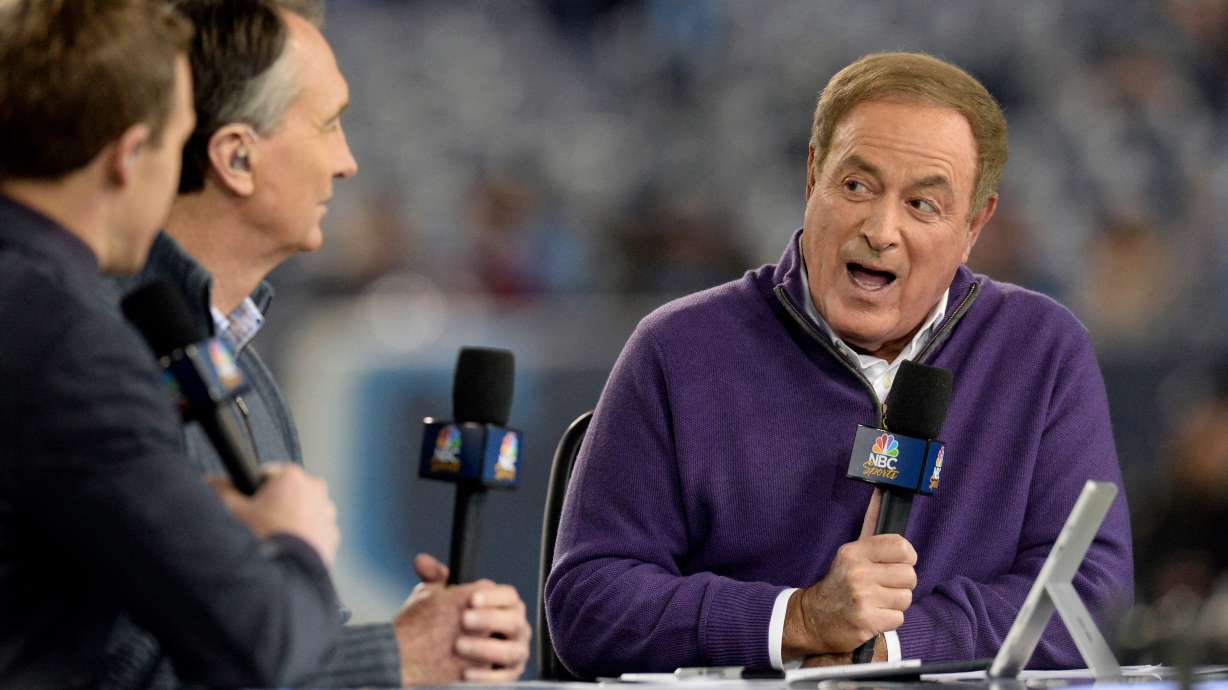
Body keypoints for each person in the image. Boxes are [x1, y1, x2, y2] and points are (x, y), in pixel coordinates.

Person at [546, 52, 1134, 676]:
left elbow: (1091, 598)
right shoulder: (677, 349)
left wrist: (893, 648)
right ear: (812, 178)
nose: (880, 230)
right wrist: (796, 620)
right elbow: (590, 603)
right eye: (857, 187)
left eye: (922, 205)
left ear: (974, 224)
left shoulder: (1041, 351)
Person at [106, 1, 531, 686]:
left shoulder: (240, 365)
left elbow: (283, 648)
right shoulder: (106, 359)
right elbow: (131, 669)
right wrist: (400, 655)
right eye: (329, 124)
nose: (348, 163)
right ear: (236, 156)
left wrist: (422, 641)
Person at [0, 1, 355, 687]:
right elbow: (259, 651)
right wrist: (292, 538)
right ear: (131, 156)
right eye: (177, 143)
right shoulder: (75, 344)